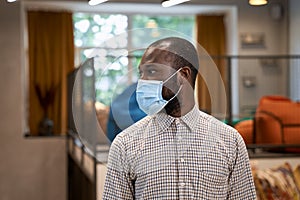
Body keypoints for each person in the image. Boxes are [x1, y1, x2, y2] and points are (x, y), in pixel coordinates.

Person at [103, 37, 256, 199]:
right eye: (142, 73)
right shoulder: (125, 144)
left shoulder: (230, 141)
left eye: (152, 71)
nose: (142, 82)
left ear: (183, 74)